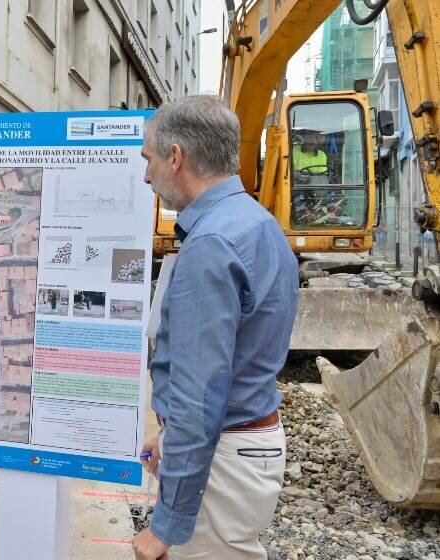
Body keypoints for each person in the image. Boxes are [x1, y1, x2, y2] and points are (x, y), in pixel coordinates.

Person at [132, 96, 299, 560]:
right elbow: (236, 362)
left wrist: (166, 525)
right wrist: (171, 438)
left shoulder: (211, 244)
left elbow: (199, 391)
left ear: (176, 156)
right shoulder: (258, 225)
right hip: (241, 446)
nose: (147, 176)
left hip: (224, 462)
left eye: (149, 159)